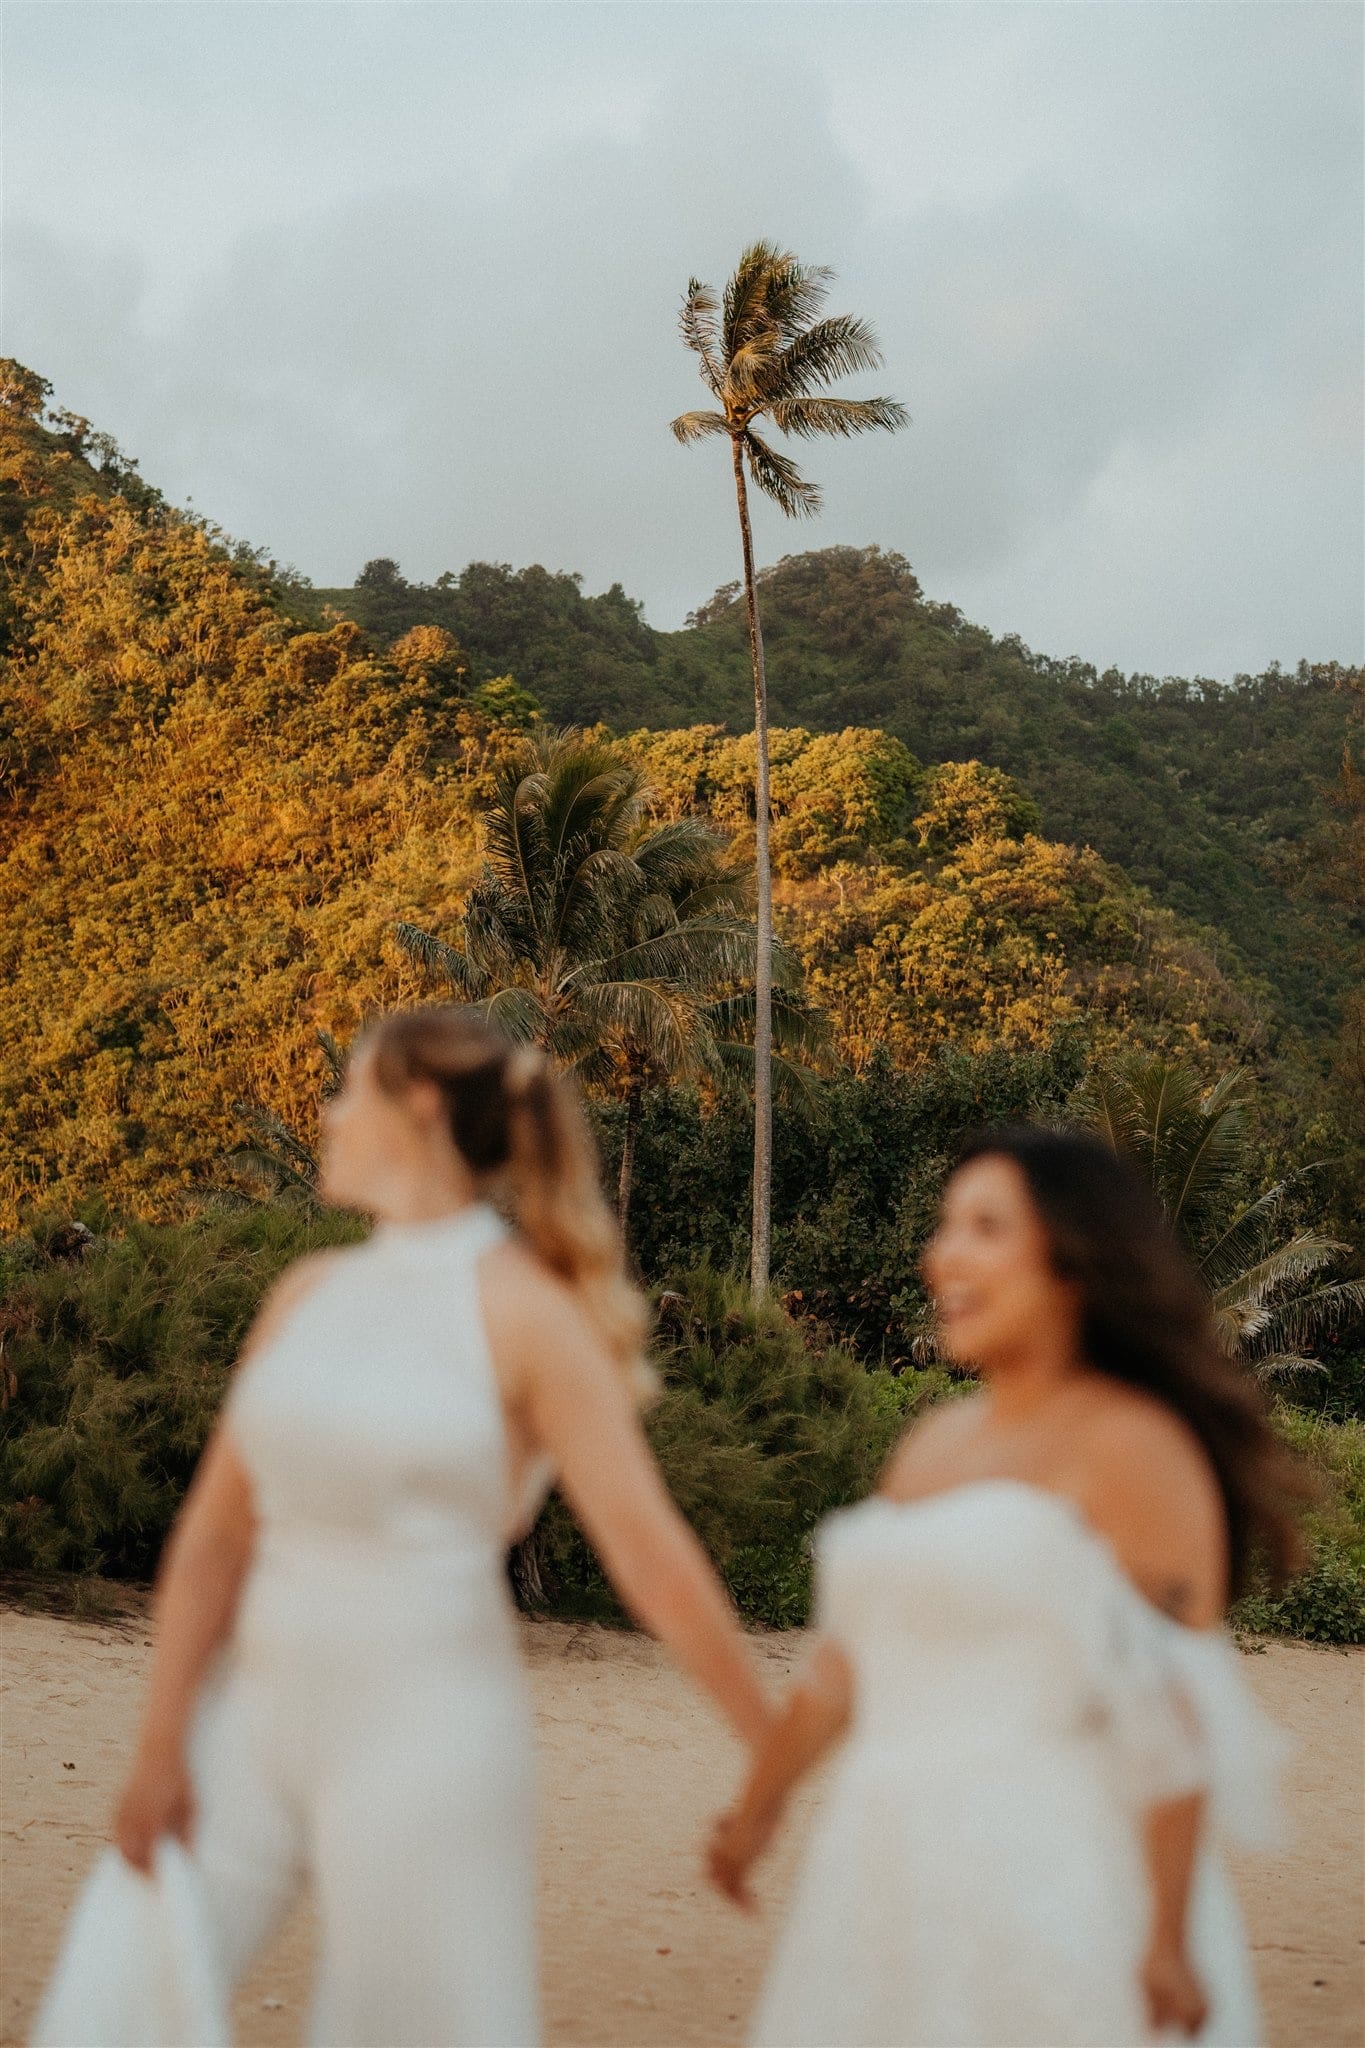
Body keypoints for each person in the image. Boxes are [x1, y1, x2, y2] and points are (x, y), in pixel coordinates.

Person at [37, 1007, 771, 2048]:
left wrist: (769, 1752)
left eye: (348, 1089)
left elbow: (650, 1553)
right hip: (247, 1719)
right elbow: (210, 1537)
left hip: (426, 1735)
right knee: (113, 1998)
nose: (328, 1115)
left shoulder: (528, 1312)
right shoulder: (306, 1292)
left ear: (418, 1104)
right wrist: (159, 1742)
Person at [710, 1125, 1305, 2048]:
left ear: (1072, 1261)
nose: (941, 1254)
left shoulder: (1133, 1447)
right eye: (945, 1226)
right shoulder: (930, 1445)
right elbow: (842, 1670)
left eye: (985, 1227)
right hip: (884, 1865)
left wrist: (1166, 1937)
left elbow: (1168, 1710)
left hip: (1051, 1871)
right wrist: (759, 1808)